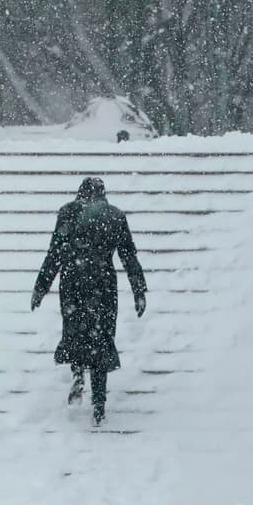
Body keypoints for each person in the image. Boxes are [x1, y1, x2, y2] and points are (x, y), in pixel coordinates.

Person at [31, 177, 147, 426]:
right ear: (104, 194)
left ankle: (77, 373)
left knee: (76, 332)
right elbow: (128, 254)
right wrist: (139, 290)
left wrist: (41, 287)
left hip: (73, 281)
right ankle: (99, 403)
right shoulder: (115, 216)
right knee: (101, 338)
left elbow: (54, 253)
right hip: (102, 283)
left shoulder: (67, 213)